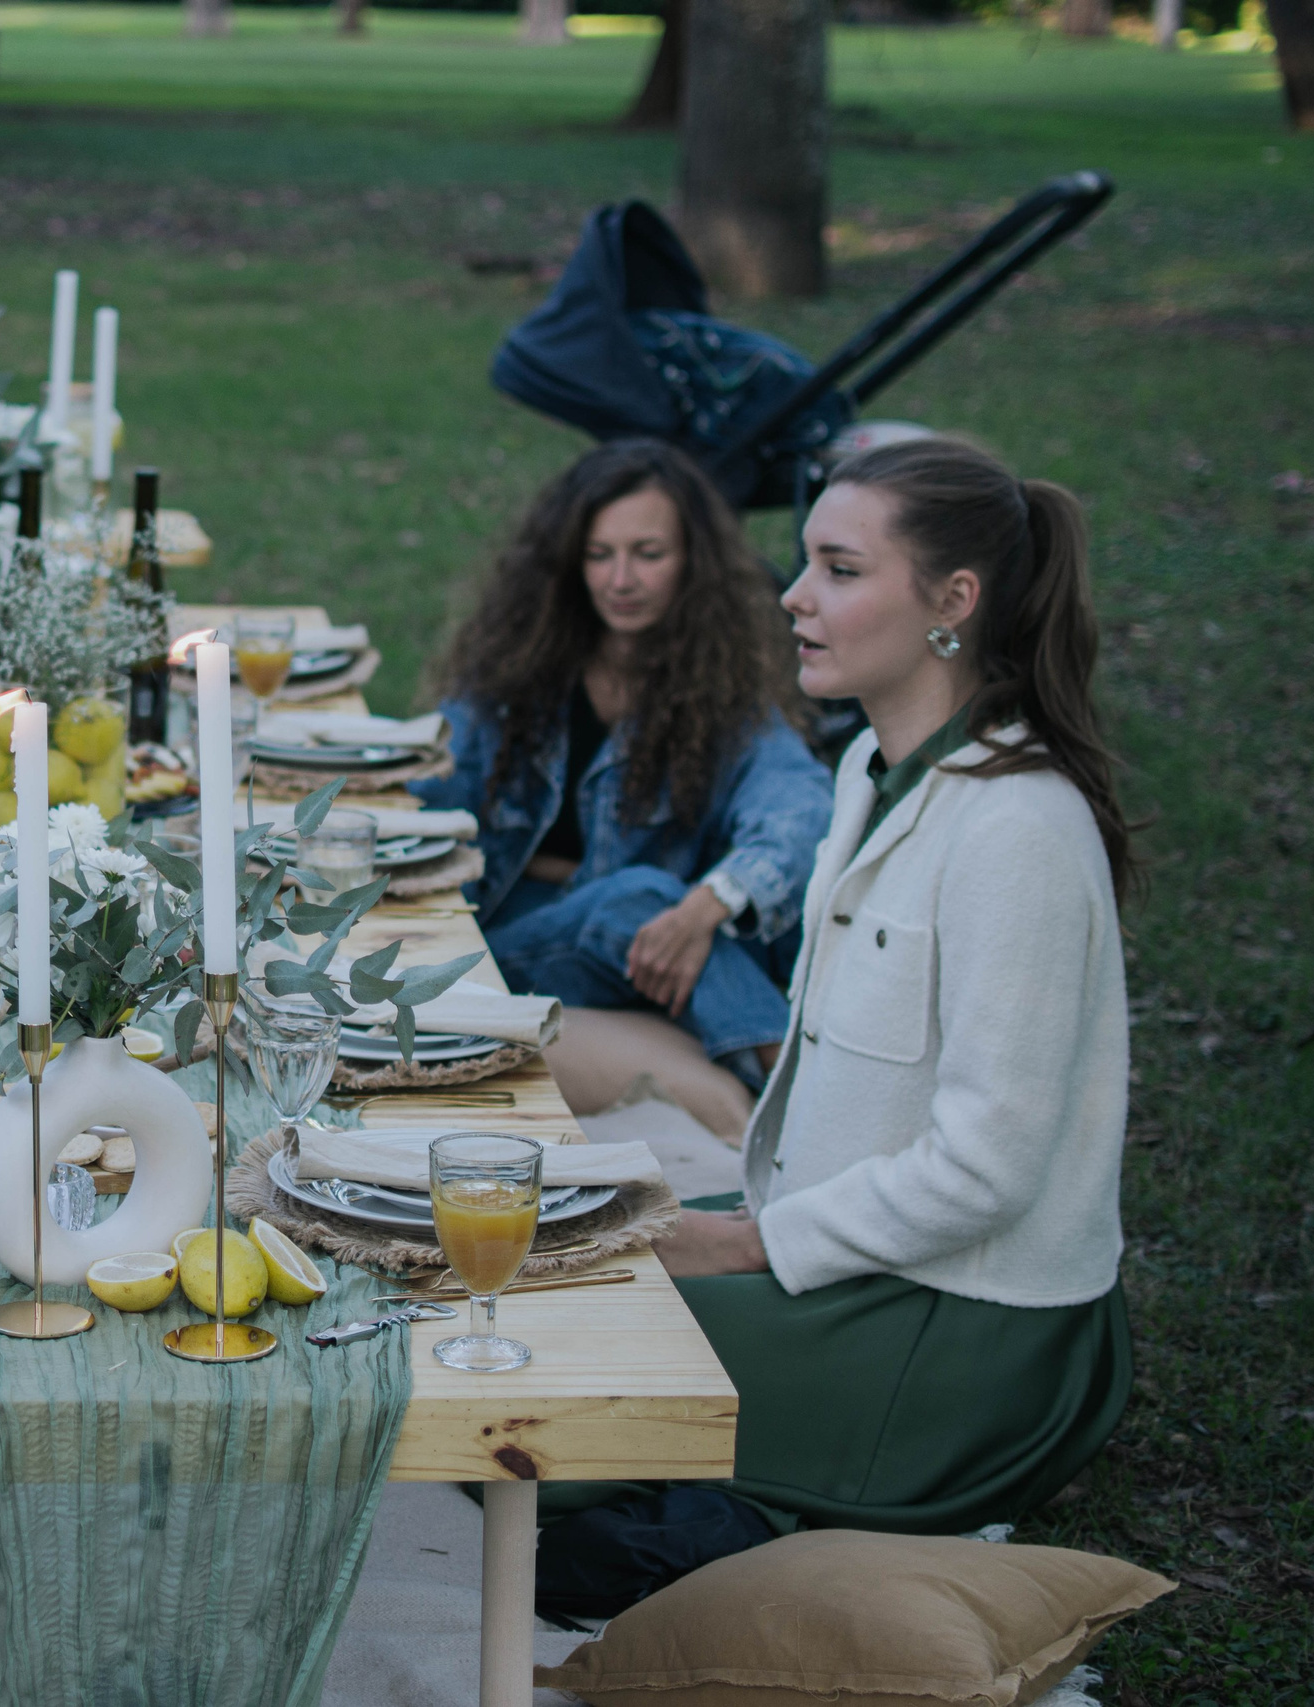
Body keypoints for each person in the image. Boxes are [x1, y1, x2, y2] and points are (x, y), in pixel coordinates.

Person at [629, 436, 1134, 1550]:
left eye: (841, 571)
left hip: (972, 1336)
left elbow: (987, 1170)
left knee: (551, 1381)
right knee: (561, 1264)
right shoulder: (867, 768)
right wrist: (744, 1227)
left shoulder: (1019, 828)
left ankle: (772, 1516)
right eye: (805, 563)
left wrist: (752, 1247)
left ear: (955, 599)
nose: (796, 599)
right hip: (849, 1260)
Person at [414, 439, 833, 1088]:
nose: (620, 580)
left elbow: (800, 806)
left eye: (649, 554)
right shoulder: (518, 669)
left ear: (692, 561)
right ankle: (794, 1086)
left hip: (654, 951)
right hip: (504, 952)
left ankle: (783, 1086)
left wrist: (710, 902)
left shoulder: (722, 692)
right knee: (639, 895)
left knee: (649, 900)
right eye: (599, 555)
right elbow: (429, 798)